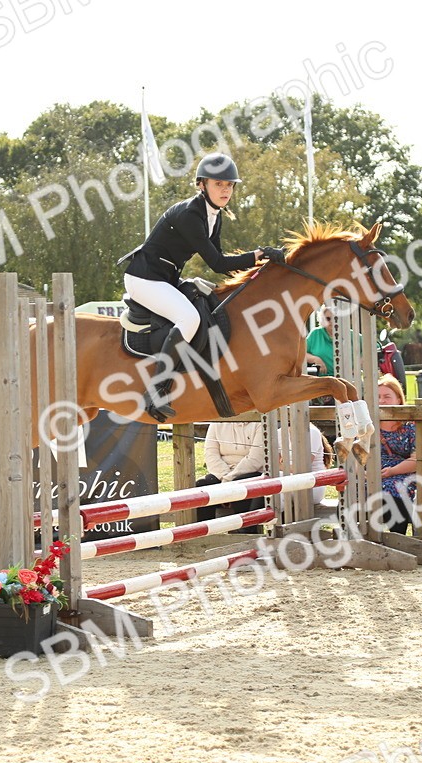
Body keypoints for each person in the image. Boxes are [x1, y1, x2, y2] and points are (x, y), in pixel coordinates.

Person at [118, 153, 279, 421]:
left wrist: (266, 268)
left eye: (229, 185)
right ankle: (156, 390)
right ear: (202, 185)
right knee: (189, 317)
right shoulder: (190, 214)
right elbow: (216, 262)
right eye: (219, 184)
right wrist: (258, 254)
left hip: (164, 278)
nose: (225, 190)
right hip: (144, 278)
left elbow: (225, 265)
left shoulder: (214, 215)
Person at [196, 421, 266, 533]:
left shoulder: (259, 423)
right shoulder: (216, 423)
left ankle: (246, 533)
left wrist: (229, 482)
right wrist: (226, 479)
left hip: (250, 472)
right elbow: (210, 455)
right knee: (202, 486)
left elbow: (256, 459)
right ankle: (204, 534)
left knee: (242, 485)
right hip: (222, 475)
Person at [376, 374, 416, 534]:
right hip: (372, 473)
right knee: (354, 491)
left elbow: (417, 459)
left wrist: (392, 471)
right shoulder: (367, 424)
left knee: (394, 488)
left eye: (387, 396)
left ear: (399, 399)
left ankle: (397, 540)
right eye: (378, 396)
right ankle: (353, 541)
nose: (381, 400)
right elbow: (356, 455)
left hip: (402, 473)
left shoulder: (410, 425)